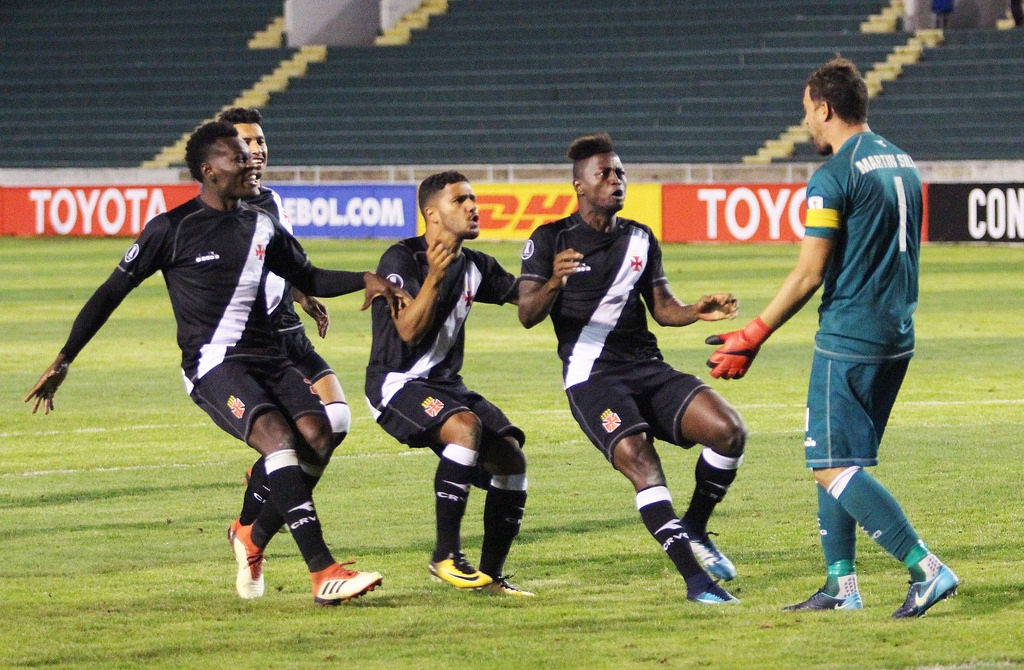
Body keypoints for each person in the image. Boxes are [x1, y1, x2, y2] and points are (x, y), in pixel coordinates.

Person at [24, 121, 407, 605]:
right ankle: (323, 571)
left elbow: (307, 275)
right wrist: (64, 360)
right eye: (237, 157)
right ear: (209, 171)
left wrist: (366, 279)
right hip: (213, 365)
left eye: (249, 155)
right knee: (278, 439)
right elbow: (109, 293)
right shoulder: (171, 229)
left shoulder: (263, 222)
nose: (250, 163)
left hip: (269, 356)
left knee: (319, 435)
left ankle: (250, 537)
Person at [705, 57, 959, 617]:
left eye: (806, 112)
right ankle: (841, 585)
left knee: (827, 462)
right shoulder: (903, 162)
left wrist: (753, 333)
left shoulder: (832, 176)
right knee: (842, 458)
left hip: (849, 335)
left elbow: (808, 272)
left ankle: (925, 567)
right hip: (896, 332)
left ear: (824, 107)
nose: (806, 125)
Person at [518, 134, 746, 605]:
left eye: (620, 171)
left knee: (729, 431)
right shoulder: (549, 239)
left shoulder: (640, 237)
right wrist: (556, 281)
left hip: (647, 366)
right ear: (579, 184)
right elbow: (527, 313)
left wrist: (696, 310)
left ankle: (697, 528)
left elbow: (662, 308)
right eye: (604, 173)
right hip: (592, 377)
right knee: (642, 460)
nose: (616, 179)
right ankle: (696, 582)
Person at [365, 171, 532, 596]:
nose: (474, 206)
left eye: (473, 198)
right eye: (461, 200)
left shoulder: (476, 265)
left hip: (444, 385)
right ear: (432, 215)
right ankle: (444, 556)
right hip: (396, 383)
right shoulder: (401, 260)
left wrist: (565, 279)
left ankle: (489, 578)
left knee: (511, 460)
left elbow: (527, 298)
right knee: (464, 426)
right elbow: (406, 332)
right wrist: (436, 279)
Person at [216, 108, 354, 594]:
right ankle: (258, 536)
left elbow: (280, 261)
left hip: (288, 329)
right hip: (256, 343)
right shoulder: (221, 212)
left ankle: (250, 529)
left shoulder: (272, 200)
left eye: (261, 139)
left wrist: (301, 291)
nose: (257, 148)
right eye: (246, 142)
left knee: (336, 423)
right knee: (298, 441)